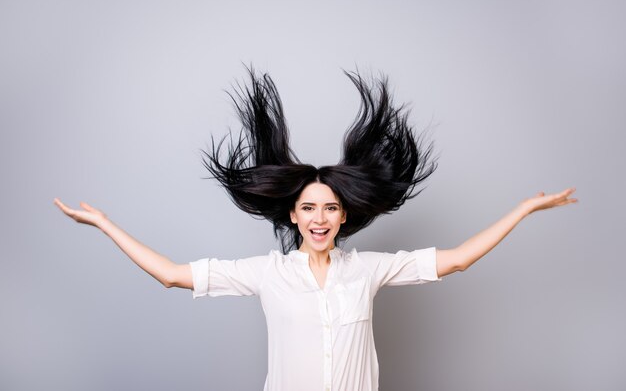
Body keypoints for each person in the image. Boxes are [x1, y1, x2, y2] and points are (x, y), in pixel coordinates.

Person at [54, 67, 577, 391]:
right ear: (292, 215)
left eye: (329, 208)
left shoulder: (369, 270)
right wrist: (104, 224)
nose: (319, 218)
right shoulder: (266, 274)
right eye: (308, 208)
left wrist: (523, 209)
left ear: (344, 215)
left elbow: (458, 258)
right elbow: (170, 274)